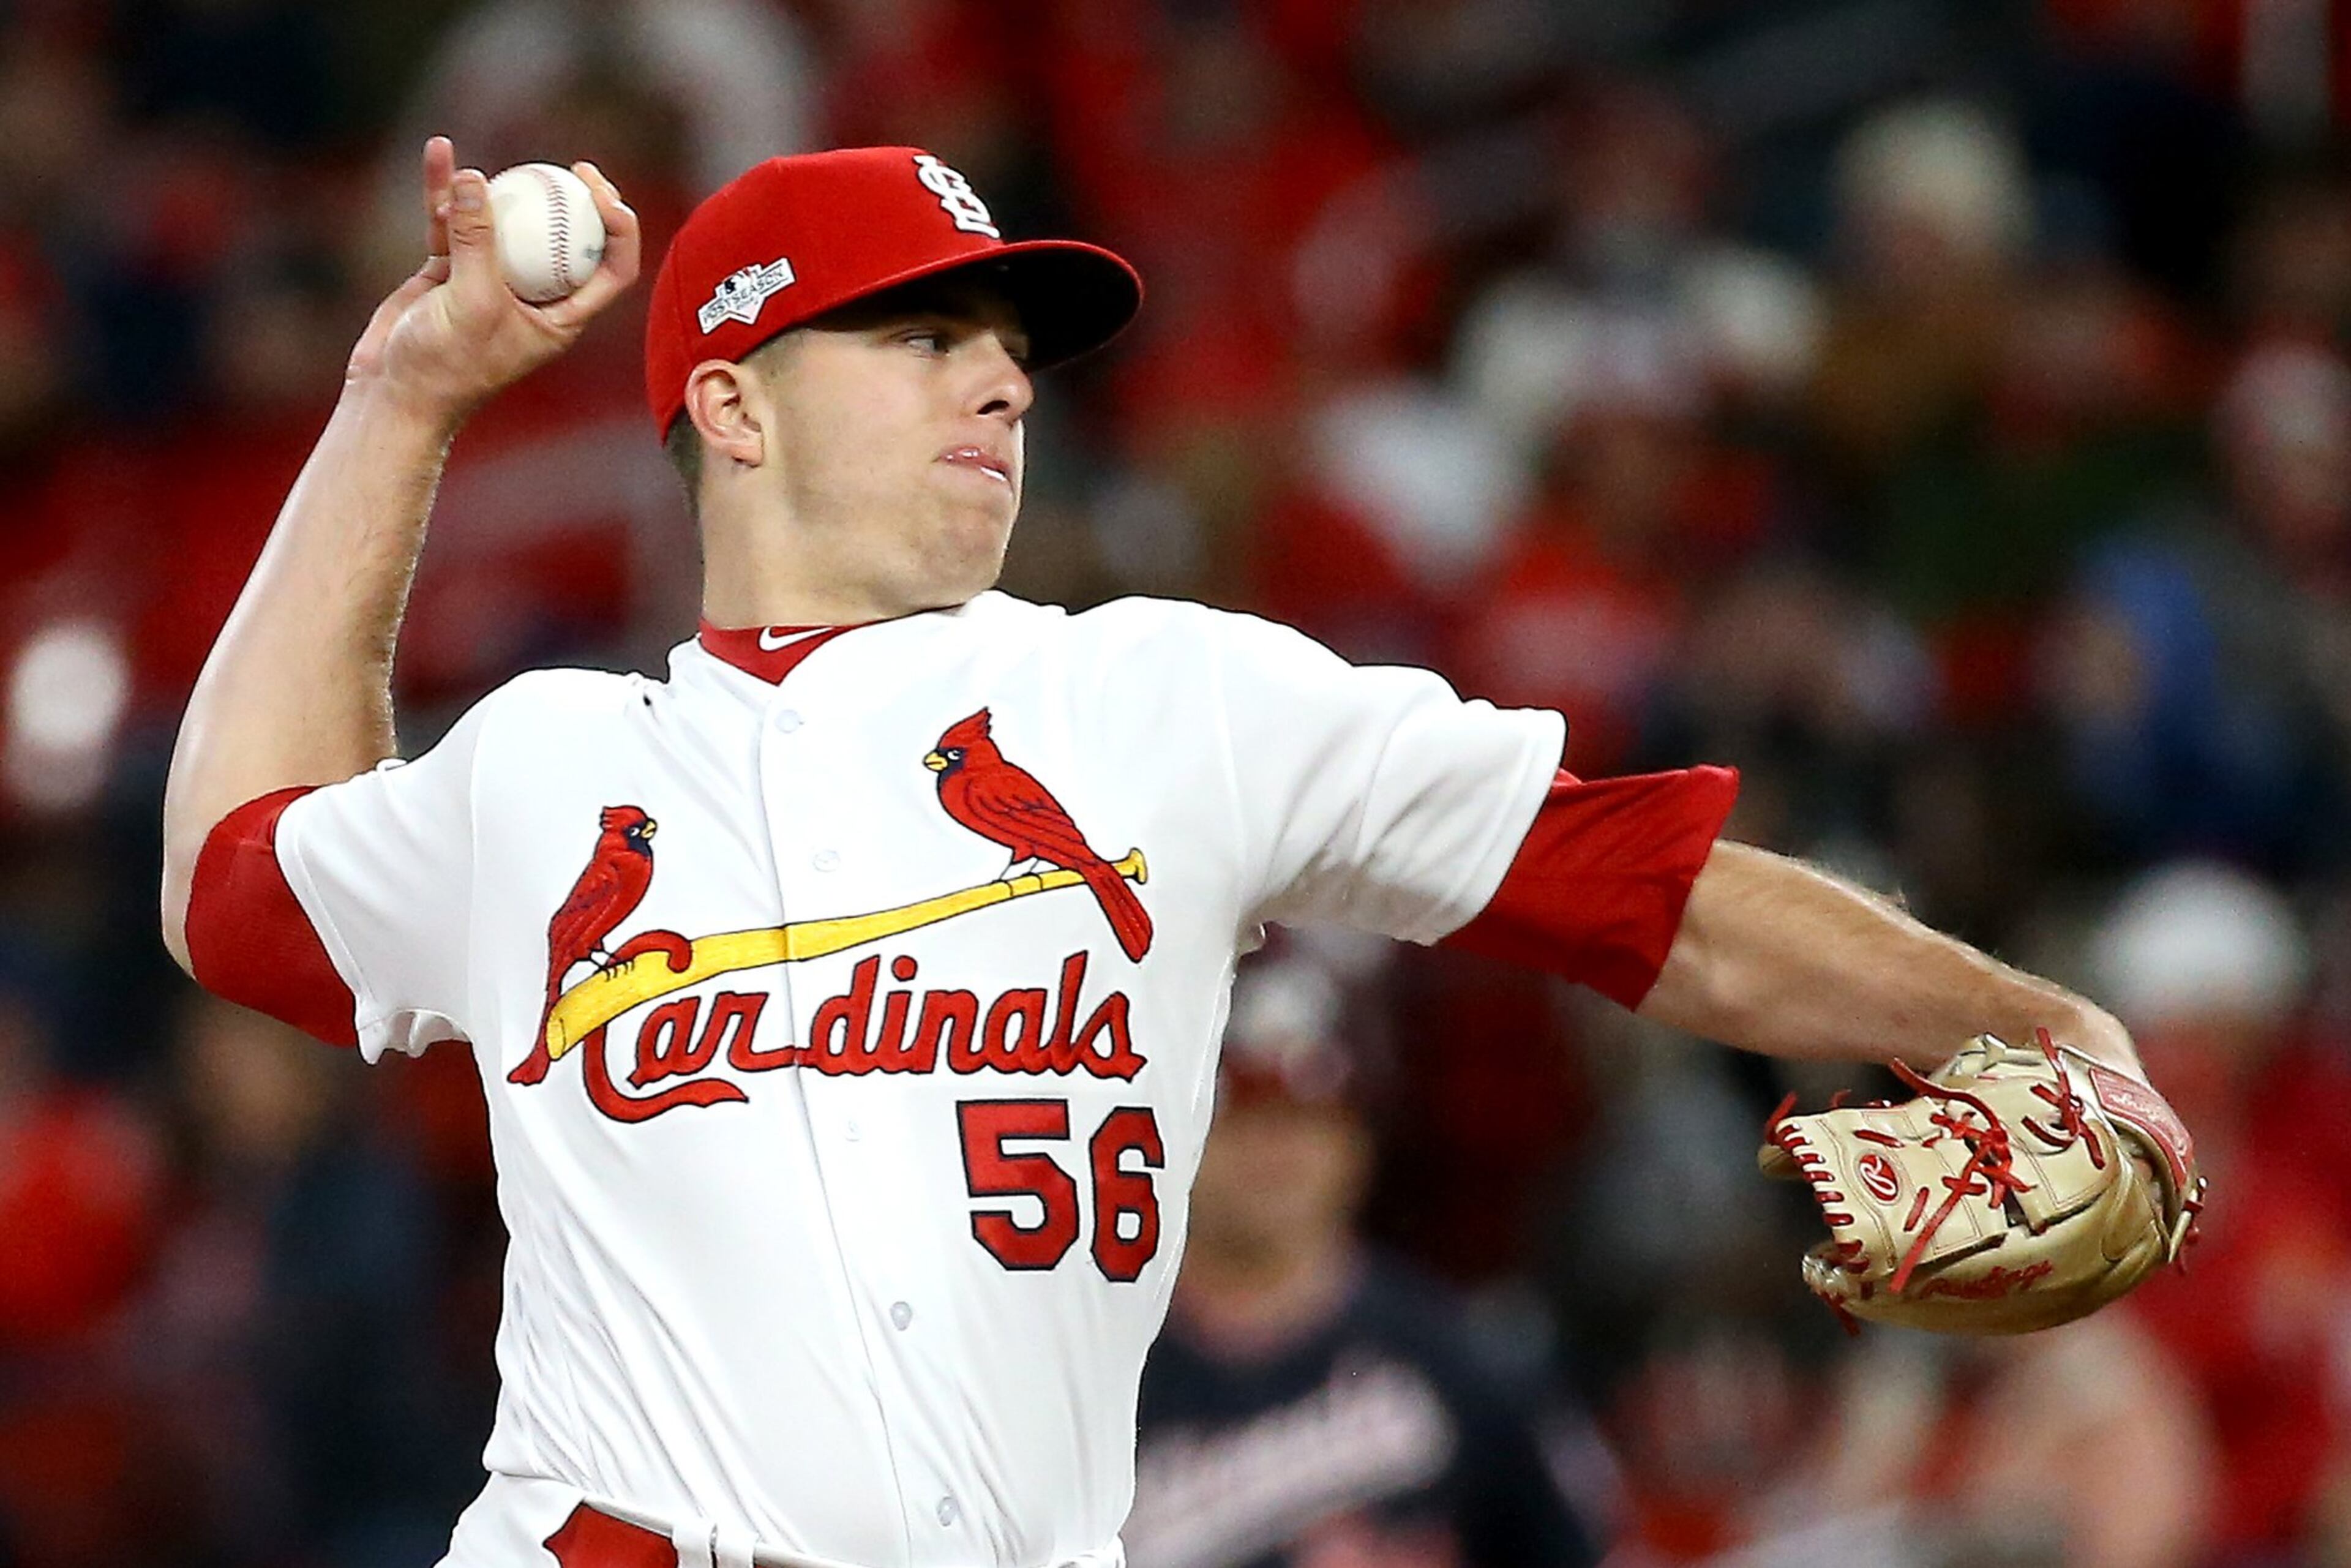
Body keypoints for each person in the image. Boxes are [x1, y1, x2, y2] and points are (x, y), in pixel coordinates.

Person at [159, 136, 2172, 1568]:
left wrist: (2025, 1019)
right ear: (735, 409)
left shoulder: (1171, 699)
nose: (1001, 376)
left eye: (1009, 345)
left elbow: (1641, 891)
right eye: (921, 334)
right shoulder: (548, 770)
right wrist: (401, 402)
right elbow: (233, 882)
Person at [1126, 952, 1597, 1568]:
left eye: (1306, 1119)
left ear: (1358, 1142)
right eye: (1242, 1118)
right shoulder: (1106, 1380)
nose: (1275, 1152)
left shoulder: (1459, 1356)